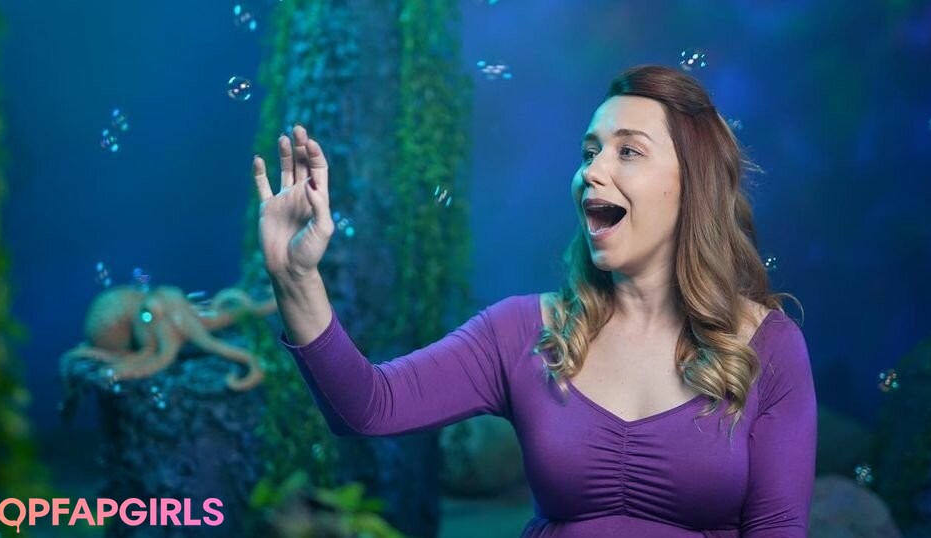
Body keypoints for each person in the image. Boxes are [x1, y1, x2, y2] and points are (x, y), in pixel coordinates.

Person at [252, 64, 817, 537]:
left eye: (628, 151)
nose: (592, 171)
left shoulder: (768, 347)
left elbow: (778, 529)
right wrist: (295, 277)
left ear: (694, 183)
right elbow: (368, 406)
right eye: (590, 151)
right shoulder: (523, 331)